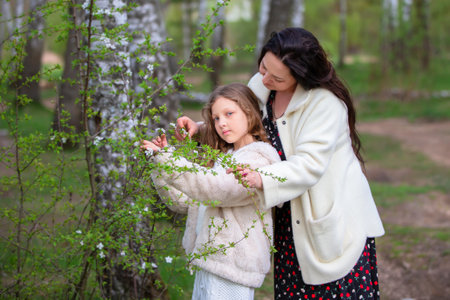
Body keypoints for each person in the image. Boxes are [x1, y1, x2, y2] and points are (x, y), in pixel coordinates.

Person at [175, 28, 385, 299]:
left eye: (276, 77)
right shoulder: (262, 86)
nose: (264, 78)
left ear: (300, 77)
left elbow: (309, 164)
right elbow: (242, 123)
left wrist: (262, 178)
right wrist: (201, 129)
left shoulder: (325, 105)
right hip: (287, 217)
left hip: (331, 217)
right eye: (263, 68)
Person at [142, 83, 280, 300]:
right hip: (208, 259)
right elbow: (183, 202)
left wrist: (170, 163)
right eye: (216, 118)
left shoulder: (258, 160)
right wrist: (160, 165)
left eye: (229, 113)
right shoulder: (225, 156)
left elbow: (216, 189)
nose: (221, 123)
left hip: (233, 266)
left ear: (250, 113)